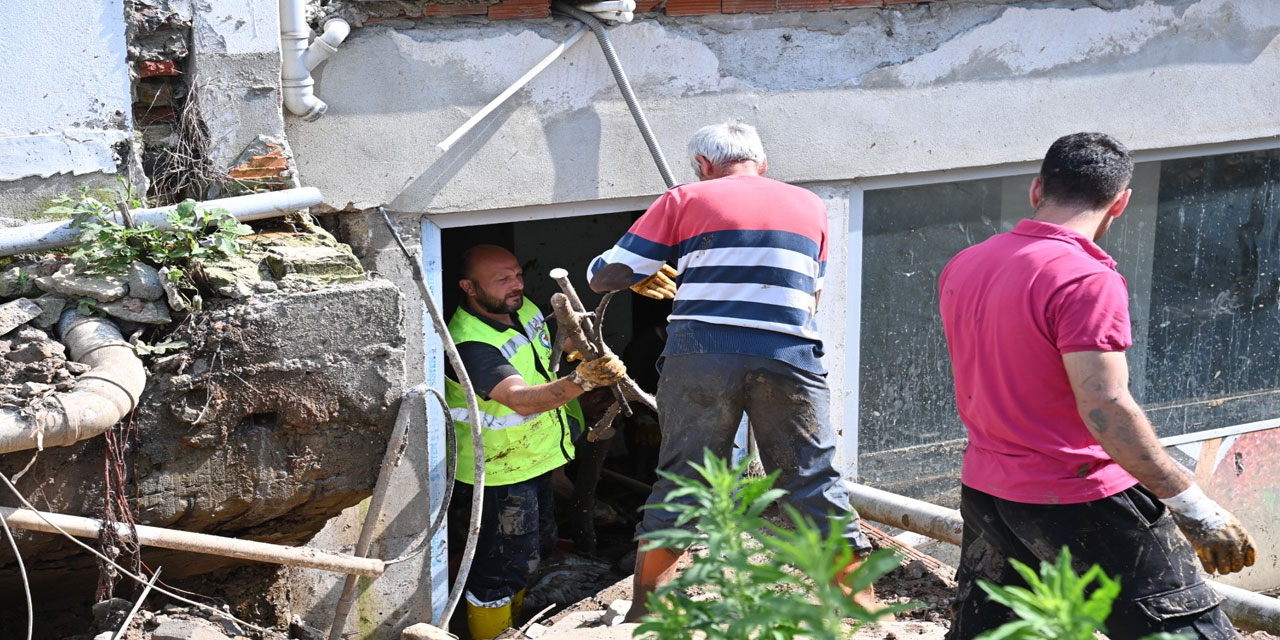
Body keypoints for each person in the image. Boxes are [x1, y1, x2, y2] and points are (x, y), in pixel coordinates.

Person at [937, 133, 1257, 640]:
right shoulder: (1085, 278)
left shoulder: (968, 263)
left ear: (1037, 189)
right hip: (1078, 495)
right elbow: (1105, 405)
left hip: (989, 491)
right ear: (1121, 201)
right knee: (1186, 630)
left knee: (997, 632)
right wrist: (1191, 504)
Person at [586, 121, 876, 622]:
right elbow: (814, 294)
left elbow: (605, 276)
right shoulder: (810, 205)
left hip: (702, 353)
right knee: (811, 475)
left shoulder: (685, 198)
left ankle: (647, 610)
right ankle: (859, 609)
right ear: (761, 163)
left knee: (685, 479)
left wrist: (646, 268)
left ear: (703, 165)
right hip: (788, 351)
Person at [444, 244, 626, 639]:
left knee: (530, 554)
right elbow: (521, 401)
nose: (516, 285)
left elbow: (547, 347)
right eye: (502, 279)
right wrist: (584, 381)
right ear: (469, 288)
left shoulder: (522, 309)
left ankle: (518, 623)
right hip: (499, 475)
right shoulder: (470, 343)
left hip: (533, 460)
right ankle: (492, 634)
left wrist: (579, 348)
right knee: (500, 568)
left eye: (517, 274)